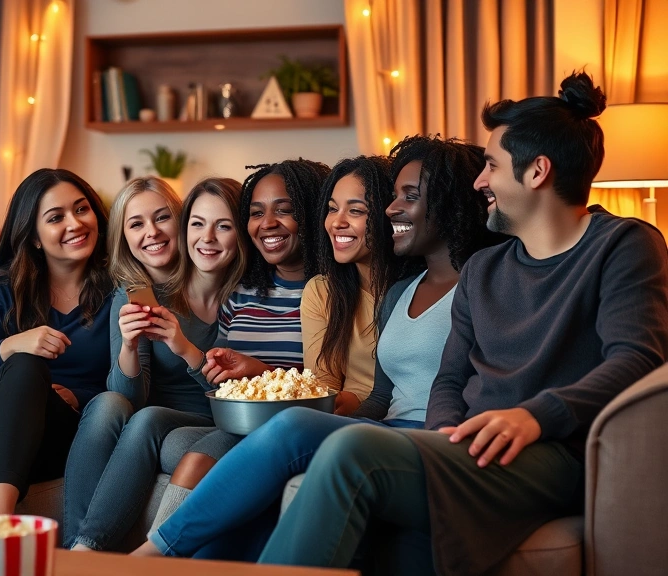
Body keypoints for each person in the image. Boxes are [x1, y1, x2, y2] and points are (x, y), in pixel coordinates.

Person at [259, 72, 668, 576]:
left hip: (552, 453)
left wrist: (536, 415)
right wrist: (442, 440)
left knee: (351, 447)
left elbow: (639, 360)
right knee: (369, 514)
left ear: (537, 171)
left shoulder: (623, 245)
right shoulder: (485, 268)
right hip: (467, 447)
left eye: (492, 165)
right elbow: (450, 378)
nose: (480, 181)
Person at [135, 139, 500, 563]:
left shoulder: (485, 280)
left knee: (287, 432)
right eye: (332, 208)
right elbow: (379, 397)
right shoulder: (399, 294)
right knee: (275, 442)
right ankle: (166, 561)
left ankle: (151, 554)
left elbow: (466, 382)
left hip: (430, 438)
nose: (391, 210)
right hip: (387, 426)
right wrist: (324, 411)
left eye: (361, 208)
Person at [64, 178, 246, 551]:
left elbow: (242, 387)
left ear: (181, 221)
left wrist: (183, 346)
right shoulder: (136, 294)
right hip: (156, 417)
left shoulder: (233, 283)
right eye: (136, 224)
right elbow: (129, 399)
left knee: (145, 419)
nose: (152, 232)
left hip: (216, 416)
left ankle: (84, 551)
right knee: (109, 404)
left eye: (163, 218)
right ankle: (78, 549)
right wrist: (129, 346)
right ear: (123, 237)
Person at [150, 159, 331, 531]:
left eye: (284, 210)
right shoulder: (241, 295)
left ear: (312, 214)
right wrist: (211, 362)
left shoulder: (329, 292)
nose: (267, 224)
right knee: (167, 439)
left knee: (193, 459)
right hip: (241, 421)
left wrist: (260, 372)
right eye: (256, 213)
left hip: (293, 424)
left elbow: (330, 384)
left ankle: (152, 557)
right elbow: (221, 383)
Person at [0, 168, 114, 515]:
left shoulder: (117, 290)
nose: (75, 224)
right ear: (34, 237)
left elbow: (133, 379)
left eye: (81, 209)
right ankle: (0, 520)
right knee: (26, 363)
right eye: (56, 217)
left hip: (70, 434)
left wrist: (79, 396)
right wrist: (13, 344)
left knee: (31, 369)